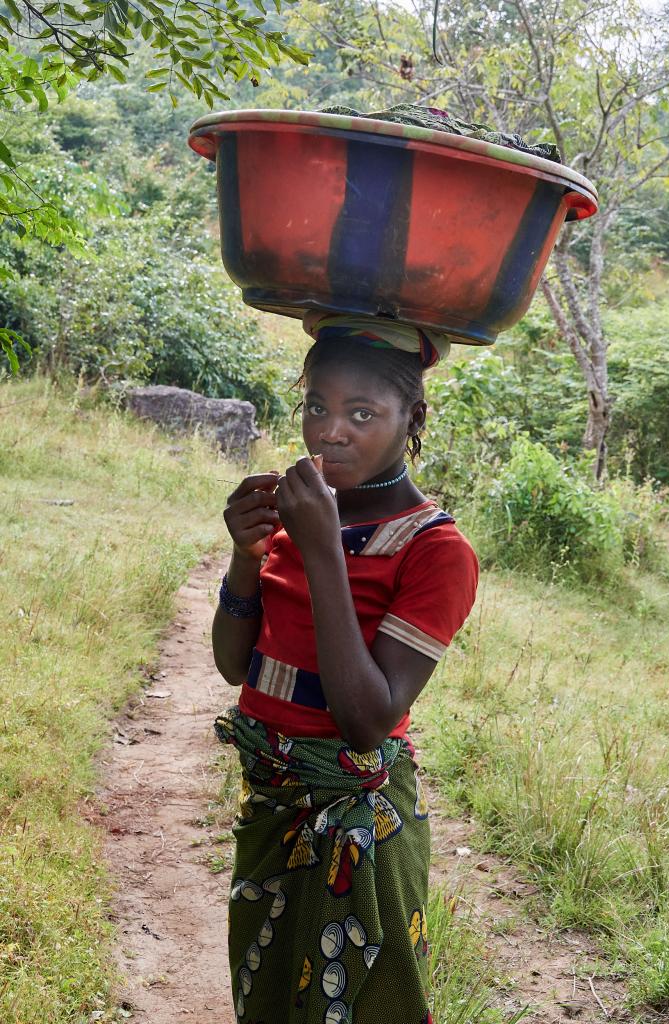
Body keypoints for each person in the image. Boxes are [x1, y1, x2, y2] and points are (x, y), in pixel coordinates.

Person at [212, 314, 479, 1024]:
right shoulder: (297, 516)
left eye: (363, 413)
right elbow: (234, 665)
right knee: (266, 993)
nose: (331, 431)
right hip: (272, 805)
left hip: (360, 826)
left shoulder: (435, 550)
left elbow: (366, 721)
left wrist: (323, 547)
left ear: (412, 417)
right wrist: (247, 555)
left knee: (361, 1006)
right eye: (317, 406)